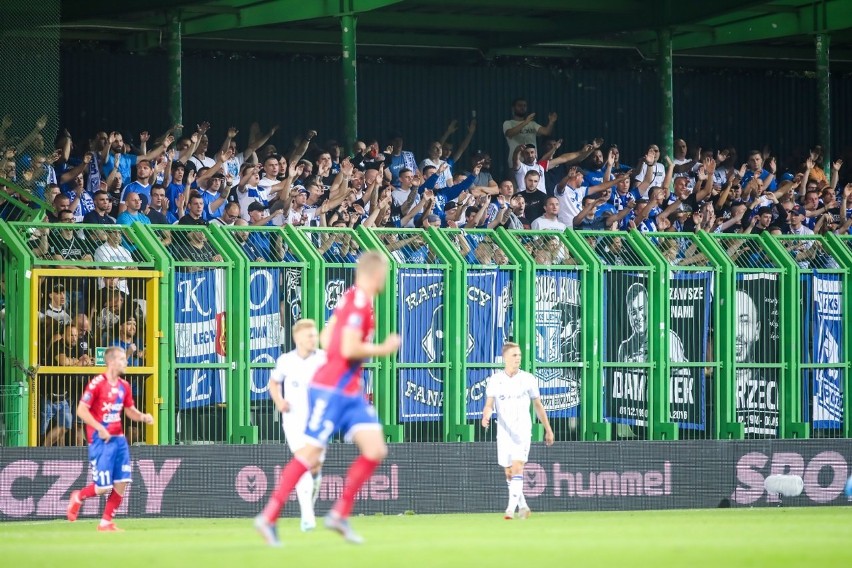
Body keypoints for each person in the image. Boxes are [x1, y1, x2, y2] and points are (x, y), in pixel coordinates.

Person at [255, 251, 401, 546]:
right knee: (309, 456)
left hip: (349, 389)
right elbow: (347, 348)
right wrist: (383, 349)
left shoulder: (349, 298)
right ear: (375, 274)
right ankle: (269, 517)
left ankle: (339, 514)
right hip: (332, 388)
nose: (386, 278)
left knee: (375, 450)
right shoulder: (360, 303)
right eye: (384, 273)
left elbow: (325, 337)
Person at [66, 346, 155, 531]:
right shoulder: (97, 383)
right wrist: (99, 428)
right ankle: (78, 496)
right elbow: (81, 410)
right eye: (122, 359)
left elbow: (129, 410)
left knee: (122, 482)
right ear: (111, 362)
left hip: (119, 440)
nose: (126, 362)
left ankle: (105, 522)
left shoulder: (125, 386)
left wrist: (142, 416)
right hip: (100, 441)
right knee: (102, 488)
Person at [481, 343, 554, 520]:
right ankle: (523, 506)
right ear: (505, 358)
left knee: (517, 467)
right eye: (514, 355)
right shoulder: (495, 380)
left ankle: (509, 509)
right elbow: (489, 405)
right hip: (504, 432)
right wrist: (486, 417)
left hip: (522, 430)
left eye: (519, 355)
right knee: (509, 472)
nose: (518, 358)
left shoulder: (528, 379)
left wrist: (548, 429)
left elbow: (538, 405)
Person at [267, 319, 328, 532]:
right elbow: (273, 383)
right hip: (293, 420)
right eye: (309, 335)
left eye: (315, 335)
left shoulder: (323, 359)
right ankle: (307, 515)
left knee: (315, 466)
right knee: (303, 460)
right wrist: (279, 401)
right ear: (297, 338)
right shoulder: (286, 361)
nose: (314, 339)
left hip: (318, 420)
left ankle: (308, 505)